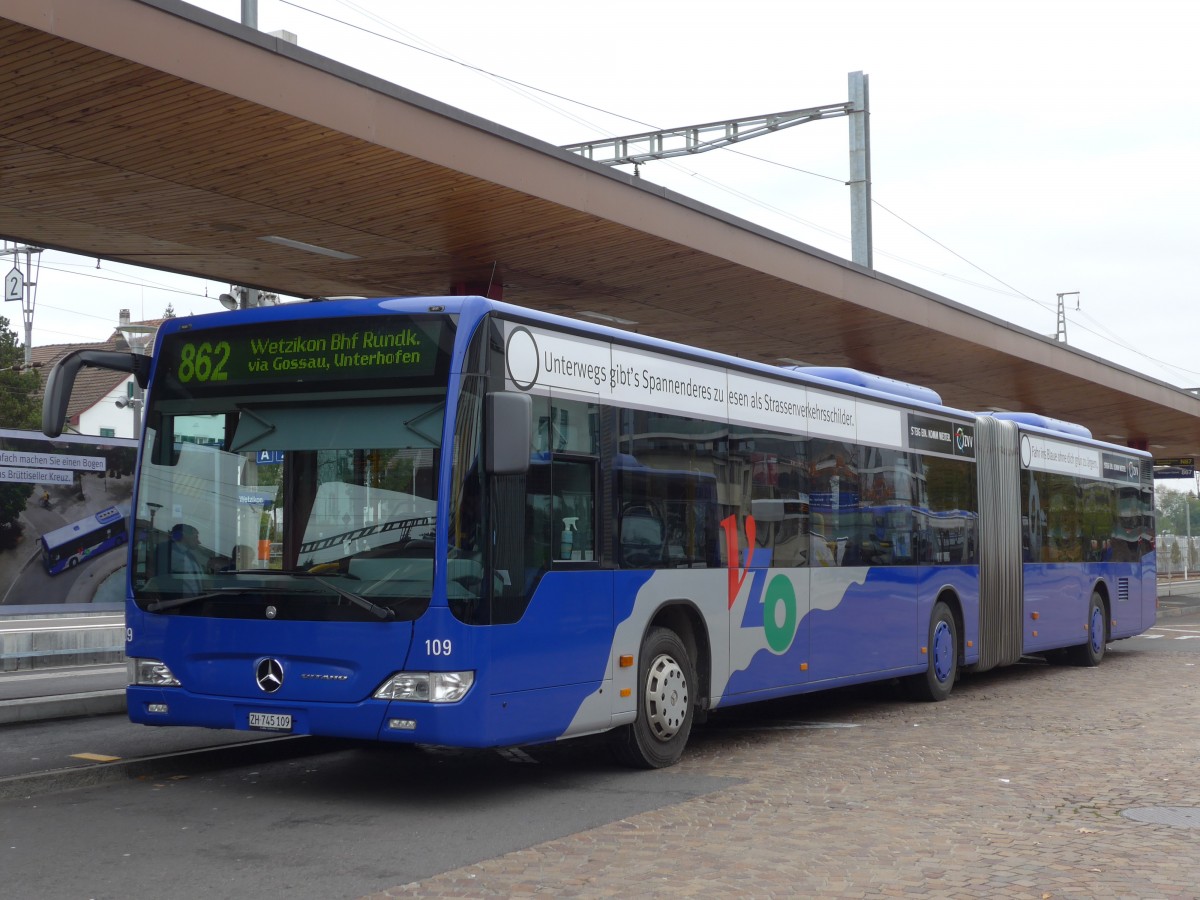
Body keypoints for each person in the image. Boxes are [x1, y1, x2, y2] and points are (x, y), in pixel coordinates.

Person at [169, 523, 205, 588]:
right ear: (184, 535)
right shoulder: (169, 555)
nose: (199, 542)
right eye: (196, 537)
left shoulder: (190, 556)